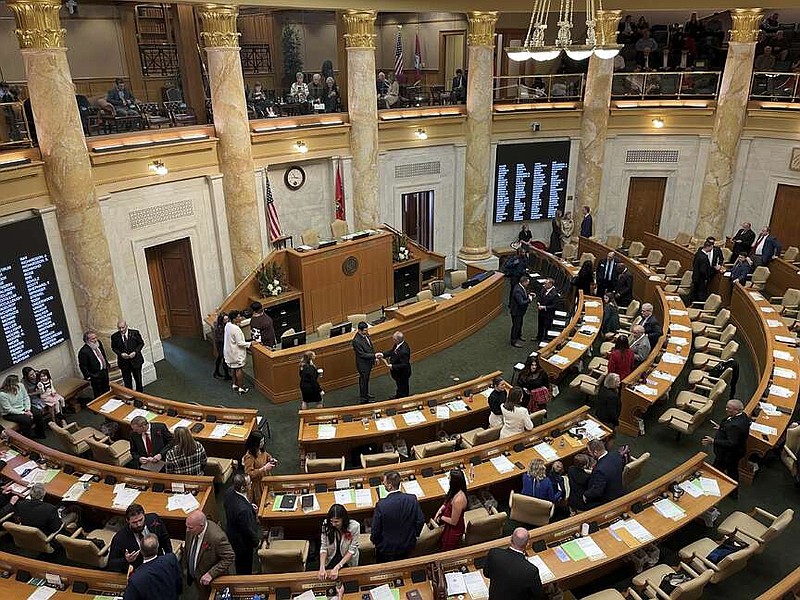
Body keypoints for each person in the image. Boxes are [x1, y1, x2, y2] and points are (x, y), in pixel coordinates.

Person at [370, 470, 425, 562]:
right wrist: (414, 535)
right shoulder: (412, 499)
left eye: (384, 482)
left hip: (387, 549)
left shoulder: (381, 505)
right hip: (408, 545)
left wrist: (376, 542)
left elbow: (375, 530)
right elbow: (420, 520)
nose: (383, 483)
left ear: (389, 485)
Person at [702, 399, 751, 495]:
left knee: (717, 470)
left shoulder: (735, 426)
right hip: (736, 452)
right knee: (732, 470)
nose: (726, 409)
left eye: (729, 408)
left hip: (728, 454)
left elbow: (731, 443)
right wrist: (722, 428)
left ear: (737, 411)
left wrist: (713, 441)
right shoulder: (743, 416)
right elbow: (732, 430)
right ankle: (733, 491)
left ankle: (712, 490)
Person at [184, 510, 235, 600]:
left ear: (201, 526)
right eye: (187, 526)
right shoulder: (191, 530)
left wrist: (211, 574)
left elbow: (229, 557)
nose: (187, 530)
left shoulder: (217, 537)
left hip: (211, 581)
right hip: (197, 576)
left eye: (190, 528)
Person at [108, 504, 172, 573]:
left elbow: (165, 539)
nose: (139, 524)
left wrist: (168, 558)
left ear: (144, 515)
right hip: (139, 570)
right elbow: (111, 564)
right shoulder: (120, 538)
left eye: (141, 520)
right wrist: (126, 560)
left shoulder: (154, 520)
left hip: (159, 562)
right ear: (127, 521)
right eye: (134, 522)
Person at [483, 528, 544, 600]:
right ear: (527, 544)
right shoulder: (531, 571)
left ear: (511, 538)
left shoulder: (494, 553)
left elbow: (486, 574)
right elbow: (538, 596)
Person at [122, 533, 182, 600]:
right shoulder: (171, 559)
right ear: (157, 547)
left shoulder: (135, 578)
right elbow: (179, 585)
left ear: (141, 550)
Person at [224, 474, 261, 575]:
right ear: (243, 487)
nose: (251, 484)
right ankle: (246, 580)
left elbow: (234, 505)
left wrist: (249, 506)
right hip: (242, 543)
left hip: (231, 532)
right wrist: (256, 541)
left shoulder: (229, 492)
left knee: (239, 561)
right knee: (244, 564)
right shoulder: (243, 511)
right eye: (249, 483)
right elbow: (248, 530)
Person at [318, 503, 361, 582]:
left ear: (343, 519)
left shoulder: (354, 527)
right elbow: (323, 547)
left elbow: (352, 550)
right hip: (331, 557)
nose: (333, 524)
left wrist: (338, 567)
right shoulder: (326, 524)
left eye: (336, 522)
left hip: (347, 560)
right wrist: (322, 567)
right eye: (331, 521)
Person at [583, 439, 625, 508]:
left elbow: (597, 491)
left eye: (590, 452)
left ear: (595, 452)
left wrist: (586, 495)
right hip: (618, 487)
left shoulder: (600, 470)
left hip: (607, 498)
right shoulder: (617, 455)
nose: (589, 454)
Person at [435, 469, 468, 551]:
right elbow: (448, 500)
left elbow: (454, 522)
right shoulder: (455, 491)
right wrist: (441, 508)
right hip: (448, 525)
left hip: (453, 530)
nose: (448, 479)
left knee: (447, 549)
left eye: (449, 478)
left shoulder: (458, 500)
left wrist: (441, 517)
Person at [111, 319, 145, 392]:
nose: (121, 329)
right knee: (127, 381)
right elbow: (114, 348)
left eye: (123, 327)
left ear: (126, 326)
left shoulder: (135, 333)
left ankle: (140, 396)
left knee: (138, 379)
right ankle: (129, 395)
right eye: (119, 328)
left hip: (136, 361)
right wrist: (120, 354)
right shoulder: (114, 336)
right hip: (124, 362)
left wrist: (135, 352)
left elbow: (141, 343)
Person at [242, 431, 275, 504]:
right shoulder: (249, 457)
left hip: (266, 479)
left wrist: (270, 459)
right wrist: (264, 468)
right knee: (262, 503)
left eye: (263, 441)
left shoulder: (260, 449)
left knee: (270, 499)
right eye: (261, 442)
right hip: (257, 486)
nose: (263, 443)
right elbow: (249, 474)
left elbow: (266, 455)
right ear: (255, 443)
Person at [224, 310, 251, 394]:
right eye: (238, 317)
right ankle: (241, 387)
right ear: (234, 319)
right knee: (238, 369)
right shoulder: (235, 329)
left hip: (229, 351)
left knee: (233, 368)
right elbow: (240, 343)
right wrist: (250, 344)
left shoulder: (228, 325)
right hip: (236, 352)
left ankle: (235, 384)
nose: (241, 318)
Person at [78, 330, 111, 398]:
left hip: (104, 372)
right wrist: (89, 376)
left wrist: (106, 364)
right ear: (87, 340)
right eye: (93, 339)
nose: (95, 340)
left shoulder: (99, 343)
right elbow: (83, 366)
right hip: (95, 375)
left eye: (96, 337)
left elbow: (103, 355)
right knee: (98, 393)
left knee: (107, 390)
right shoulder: (83, 352)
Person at [352, 321, 380, 402]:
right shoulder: (356, 341)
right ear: (359, 330)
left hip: (368, 362)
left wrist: (374, 358)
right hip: (363, 365)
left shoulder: (366, 335)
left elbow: (370, 347)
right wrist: (374, 356)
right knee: (363, 381)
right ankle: (364, 398)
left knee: (366, 380)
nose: (367, 332)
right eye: (365, 330)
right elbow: (362, 354)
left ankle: (365, 394)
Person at [382, 331, 411, 399]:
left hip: (403, 373)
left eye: (394, 339)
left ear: (397, 340)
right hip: (398, 372)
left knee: (403, 386)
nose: (393, 340)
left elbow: (404, 365)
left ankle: (404, 399)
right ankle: (398, 395)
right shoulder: (397, 344)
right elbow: (392, 351)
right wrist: (383, 354)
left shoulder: (404, 351)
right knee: (399, 385)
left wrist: (393, 366)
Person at [510, 275, 533, 348]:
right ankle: (513, 341)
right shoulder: (517, 290)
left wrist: (529, 295)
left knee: (520, 324)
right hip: (516, 312)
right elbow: (521, 302)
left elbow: (524, 295)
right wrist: (529, 300)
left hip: (521, 311)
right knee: (516, 326)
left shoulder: (521, 287)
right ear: (523, 282)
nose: (528, 284)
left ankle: (519, 336)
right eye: (527, 283)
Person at [536, 278, 559, 342]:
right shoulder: (543, 289)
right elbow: (540, 297)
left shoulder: (554, 294)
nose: (544, 285)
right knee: (540, 325)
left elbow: (554, 306)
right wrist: (538, 302)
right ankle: (539, 337)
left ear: (550, 284)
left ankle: (545, 339)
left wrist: (545, 307)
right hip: (541, 311)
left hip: (548, 313)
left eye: (546, 283)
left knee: (547, 327)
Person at [212, 313, 231, 380]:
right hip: (221, 344)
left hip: (221, 343)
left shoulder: (220, 325)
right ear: (221, 320)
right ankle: (226, 375)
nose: (227, 320)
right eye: (225, 319)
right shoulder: (220, 328)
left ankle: (216, 371)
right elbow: (221, 338)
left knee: (220, 358)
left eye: (227, 318)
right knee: (224, 358)